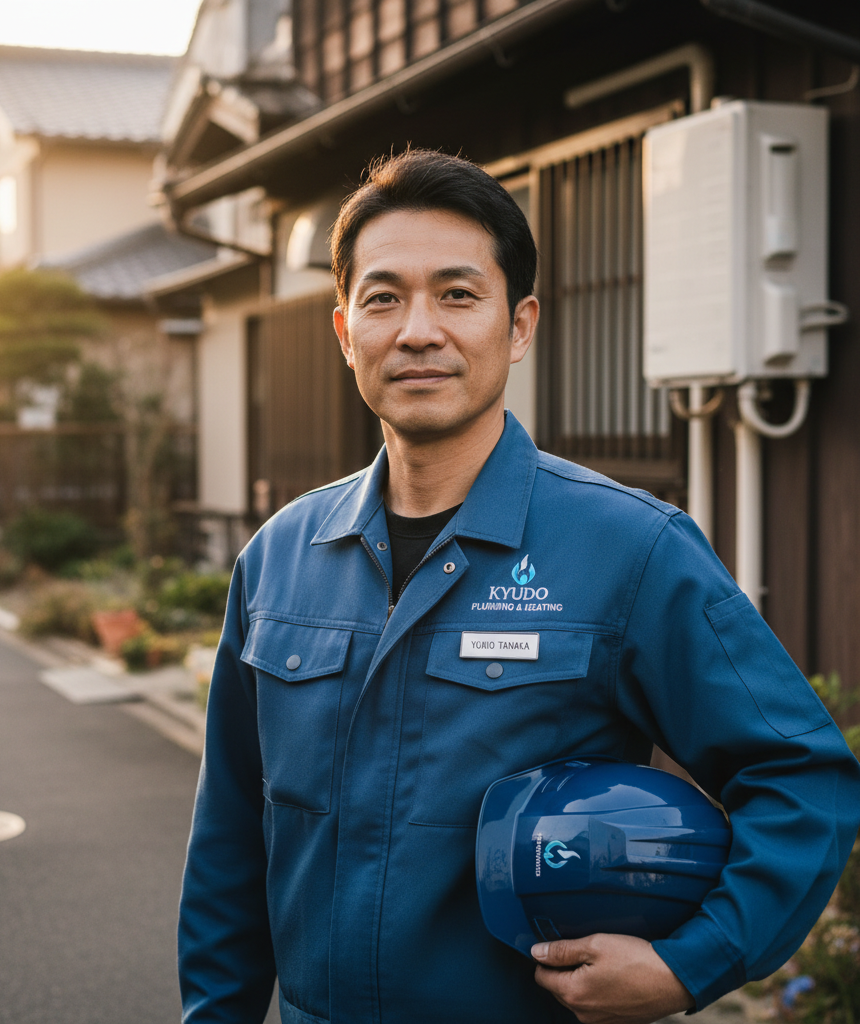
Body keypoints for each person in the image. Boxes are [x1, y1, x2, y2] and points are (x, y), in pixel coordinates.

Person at [177, 149, 860, 1024]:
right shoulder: (278, 558)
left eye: (458, 295)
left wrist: (690, 964)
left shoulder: (631, 549)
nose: (419, 329)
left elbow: (803, 775)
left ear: (521, 324)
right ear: (346, 332)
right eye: (384, 298)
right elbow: (230, 841)